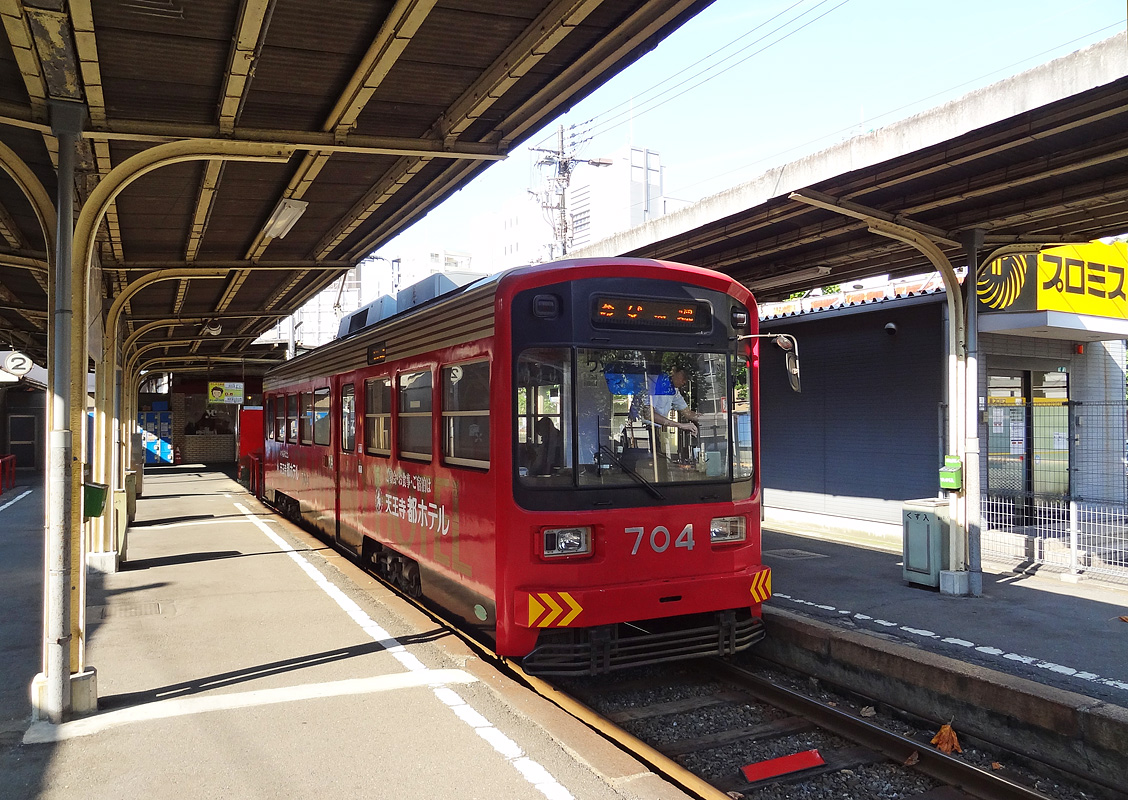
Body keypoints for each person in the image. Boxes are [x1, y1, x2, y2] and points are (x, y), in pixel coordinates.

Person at [637, 367, 700, 435]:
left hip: (656, 432)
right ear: (674, 371)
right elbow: (648, 414)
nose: (684, 382)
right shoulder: (656, 381)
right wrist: (680, 425)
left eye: (687, 380)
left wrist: (705, 418)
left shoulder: (673, 391)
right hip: (642, 430)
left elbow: (688, 413)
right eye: (684, 377)